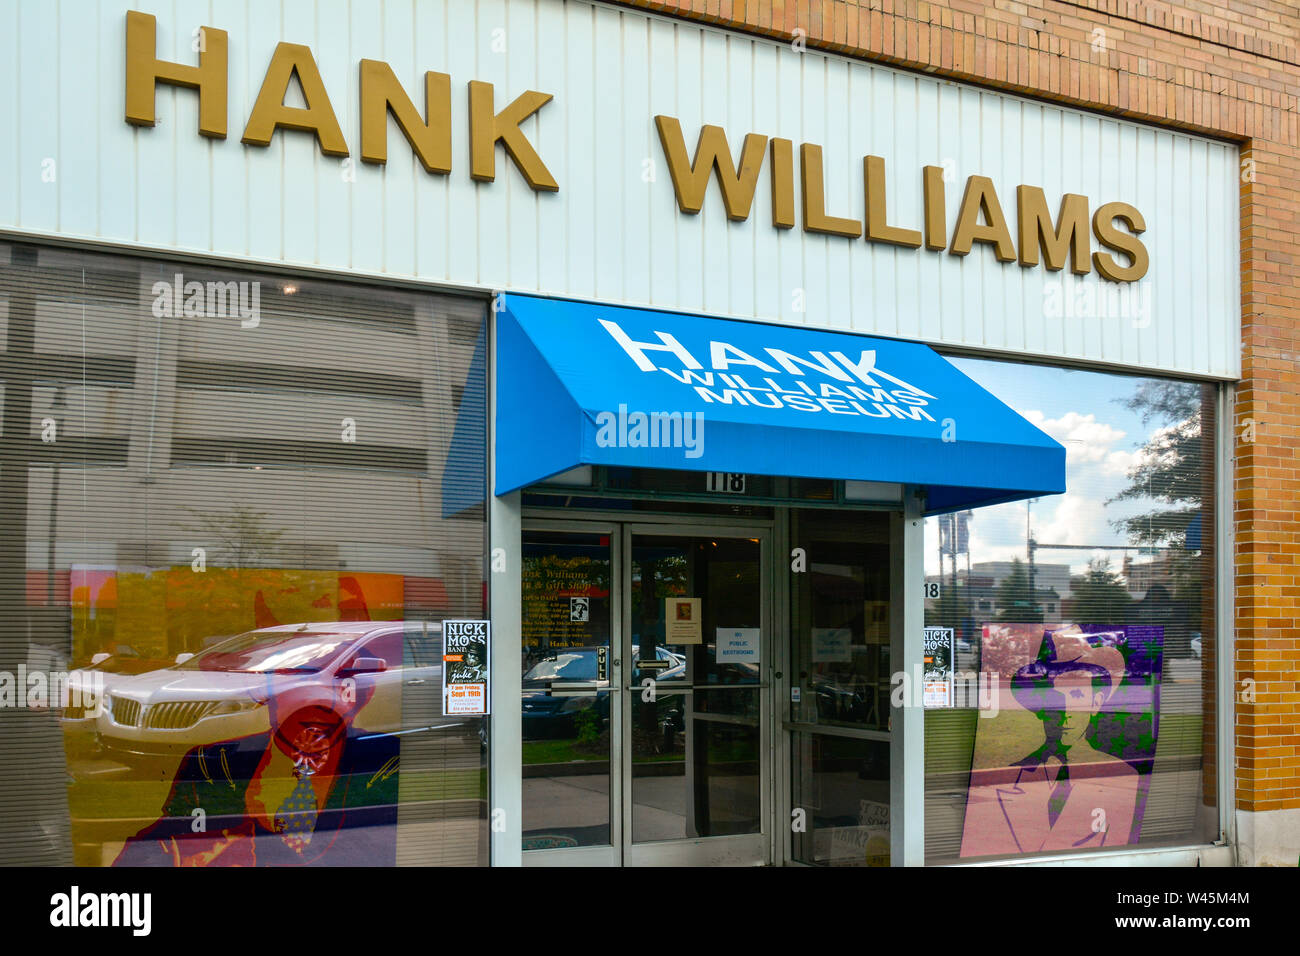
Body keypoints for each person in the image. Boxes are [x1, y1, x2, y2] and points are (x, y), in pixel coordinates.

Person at [961, 629, 1140, 857]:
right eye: (1055, 699)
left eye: (1075, 696)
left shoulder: (1125, 779)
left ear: (1096, 704)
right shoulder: (1009, 779)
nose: (1064, 713)